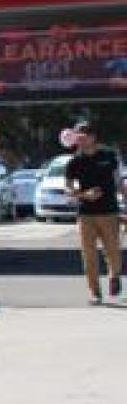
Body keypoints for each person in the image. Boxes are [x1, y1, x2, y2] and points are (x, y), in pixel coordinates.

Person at [63, 121, 125, 303]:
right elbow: (67, 189)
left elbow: (119, 182)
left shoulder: (109, 156)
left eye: (82, 137)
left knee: (113, 251)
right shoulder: (75, 161)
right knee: (89, 255)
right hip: (86, 214)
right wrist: (83, 194)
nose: (79, 141)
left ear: (92, 137)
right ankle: (94, 292)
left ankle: (114, 276)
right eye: (77, 138)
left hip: (109, 212)